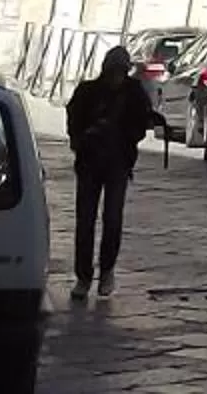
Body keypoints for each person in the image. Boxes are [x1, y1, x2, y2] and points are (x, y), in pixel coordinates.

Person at [63, 45, 166, 299]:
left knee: (112, 219)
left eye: (121, 73)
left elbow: (141, 124)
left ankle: (107, 271)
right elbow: (73, 119)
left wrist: (125, 137)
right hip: (89, 163)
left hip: (118, 164)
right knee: (85, 222)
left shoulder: (133, 93)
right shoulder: (88, 92)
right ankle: (83, 277)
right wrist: (82, 140)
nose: (116, 78)